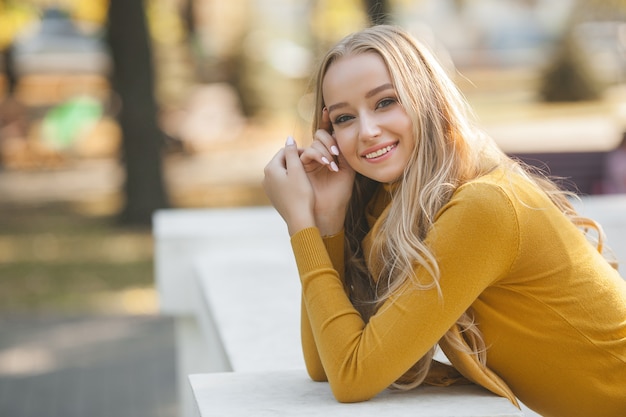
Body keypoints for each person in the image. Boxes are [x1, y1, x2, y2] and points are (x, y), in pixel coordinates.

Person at [262, 25, 626, 417]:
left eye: (385, 102)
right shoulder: (390, 208)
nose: (366, 131)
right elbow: (326, 364)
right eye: (345, 117)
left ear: (428, 101)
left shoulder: (484, 207)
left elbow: (352, 376)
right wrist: (327, 220)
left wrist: (300, 223)